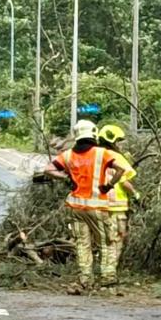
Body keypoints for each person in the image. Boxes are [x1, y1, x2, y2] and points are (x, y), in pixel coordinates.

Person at [45, 119, 126, 290]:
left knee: (83, 243)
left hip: (76, 207)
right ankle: (107, 277)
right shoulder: (102, 153)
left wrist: (66, 178)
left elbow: (48, 170)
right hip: (98, 206)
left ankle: (85, 278)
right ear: (93, 134)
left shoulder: (67, 155)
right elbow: (120, 170)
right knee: (107, 242)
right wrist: (109, 185)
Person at [96, 124, 140, 263]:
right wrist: (135, 194)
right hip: (116, 207)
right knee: (117, 238)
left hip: (96, 204)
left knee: (103, 238)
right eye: (118, 141)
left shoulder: (94, 155)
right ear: (113, 141)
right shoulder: (117, 158)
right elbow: (124, 182)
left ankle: (102, 265)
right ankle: (110, 269)